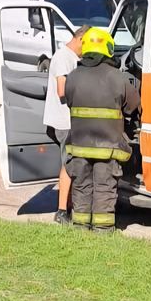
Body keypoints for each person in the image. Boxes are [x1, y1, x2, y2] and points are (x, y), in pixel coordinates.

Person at [62, 27, 140, 231]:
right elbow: (133, 107)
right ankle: (103, 231)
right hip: (108, 147)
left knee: (81, 187)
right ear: (108, 48)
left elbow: (68, 101)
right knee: (104, 188)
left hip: (79, 146)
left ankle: (79, 227)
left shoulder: (72, 76)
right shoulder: (118, 78)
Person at [43, 25, 90, 224]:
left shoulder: (73, 58)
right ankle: (62, 211)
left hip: (69, 120)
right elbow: (62, 90)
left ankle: (67, 207)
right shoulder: (63, 57)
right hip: (64, 121)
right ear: (80, 38)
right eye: (86, 45)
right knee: (69, 164)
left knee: (69, 162)